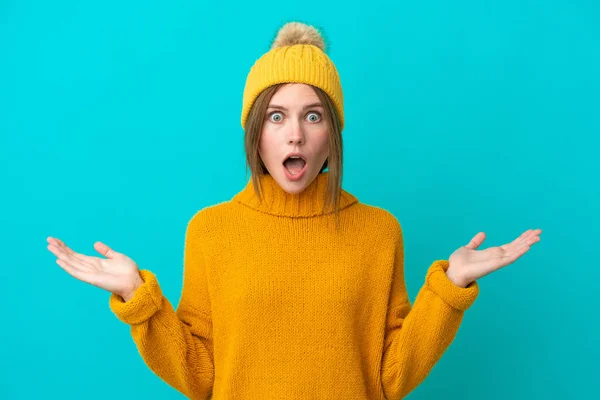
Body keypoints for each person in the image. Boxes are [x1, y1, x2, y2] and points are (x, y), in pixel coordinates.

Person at [46, 21, 542, 400]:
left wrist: (449, 288)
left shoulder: (378, 231)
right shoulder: (212, 230)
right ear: (254, 131)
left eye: (313, 115)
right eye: (276, 116)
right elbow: (199, 376)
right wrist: (139, 297)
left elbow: (390, 378)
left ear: (333, 133)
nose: (295, 134)